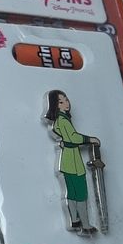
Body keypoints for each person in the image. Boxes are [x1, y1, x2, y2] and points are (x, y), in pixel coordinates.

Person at [44, 90, 99, 234]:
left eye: (66, 100)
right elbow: (73, 138)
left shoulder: (61, 120)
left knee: (72, 194)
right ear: (55, 105)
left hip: (67, 161)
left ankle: (74, 220)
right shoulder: (62, 120)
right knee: (80, 194)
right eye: (61, 102)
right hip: (72, 163)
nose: (66, 104)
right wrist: (90, 139)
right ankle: (85, 224)